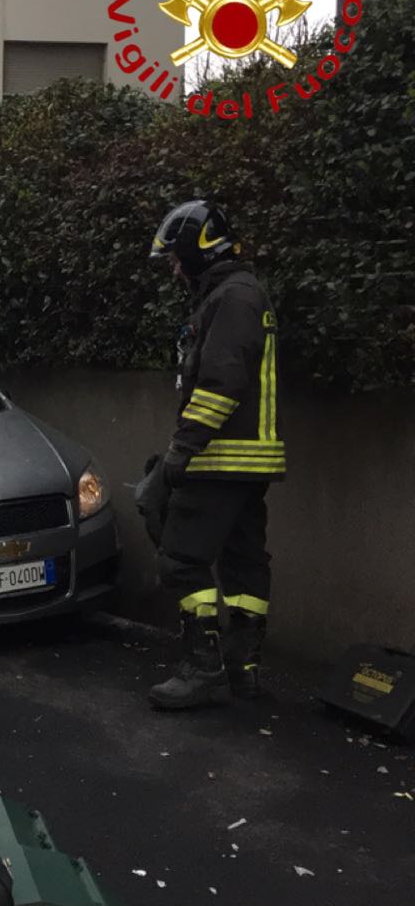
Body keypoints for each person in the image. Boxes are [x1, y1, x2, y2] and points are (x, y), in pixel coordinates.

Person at [139, 200, 284, 711]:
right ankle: (244, 671)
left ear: (200, 251)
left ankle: (202, 667)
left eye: (177, 259)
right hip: (247, 461)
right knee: (244, 567)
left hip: (220, 459)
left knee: (180, 560)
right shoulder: (239, 294)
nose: (175, 269)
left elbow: (221, 385)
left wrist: (179, 455)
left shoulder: (232, 299)